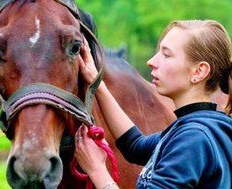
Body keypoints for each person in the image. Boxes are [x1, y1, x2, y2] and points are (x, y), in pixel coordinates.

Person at [74, 20, 232, 189]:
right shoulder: (204, 127)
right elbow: (135, 146)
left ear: (199, 71)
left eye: (166, 55)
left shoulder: (193, 138)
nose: (151, 61)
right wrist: (98, 84)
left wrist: (98, 170)